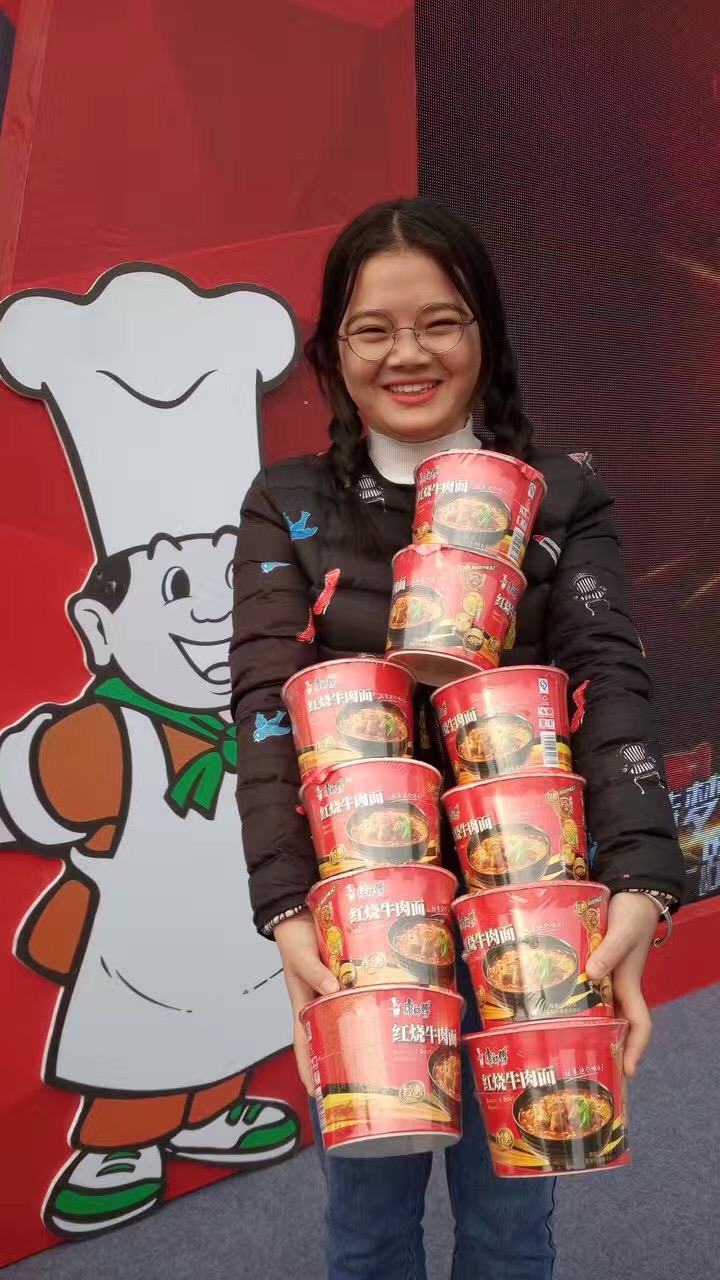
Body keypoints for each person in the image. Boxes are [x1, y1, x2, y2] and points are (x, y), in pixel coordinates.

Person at [230, 198, 685, 1280]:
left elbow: (610, 678)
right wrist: (287, 909)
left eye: (440, 320)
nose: (409, 353)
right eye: (373, 329)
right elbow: (265, 709)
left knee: (511, 1226)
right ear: (334, 352)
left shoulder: (561, 493)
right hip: (368, 923)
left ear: (486, 331)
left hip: (534, 903)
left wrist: (642, 881)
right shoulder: (289, 501)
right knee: (368, 1226)